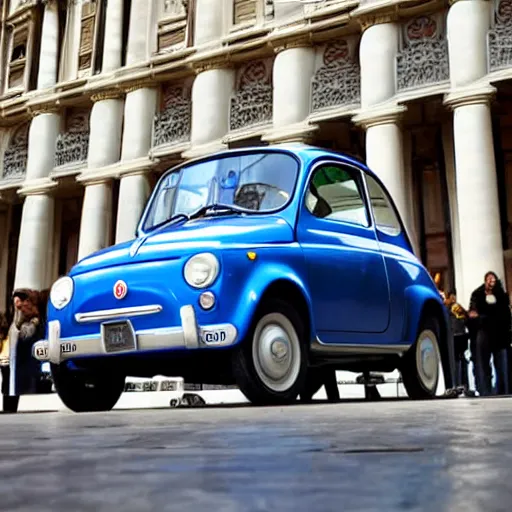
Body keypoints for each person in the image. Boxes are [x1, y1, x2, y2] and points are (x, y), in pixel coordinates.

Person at [468, 271, 511, 396]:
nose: (491, 282)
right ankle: (485, 390)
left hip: (500, 333)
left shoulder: (501, 295)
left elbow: (505, 314)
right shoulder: (477, 294)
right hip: (484, 331)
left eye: (493, 279)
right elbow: (472, 313)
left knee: (501, 364)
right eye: (489, 279)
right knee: (483, 363)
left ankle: (503, 389)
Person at [443, 291, 471, 395]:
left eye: (455, 297)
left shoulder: (458, 308)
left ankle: (463, 384)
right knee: (454, 361)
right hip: (452, 337)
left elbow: (466, 318)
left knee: (462, 360)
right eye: (451, 298)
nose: (453, 300)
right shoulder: (445, 309)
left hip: (461, 337)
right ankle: (454, 385)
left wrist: (464, 312)